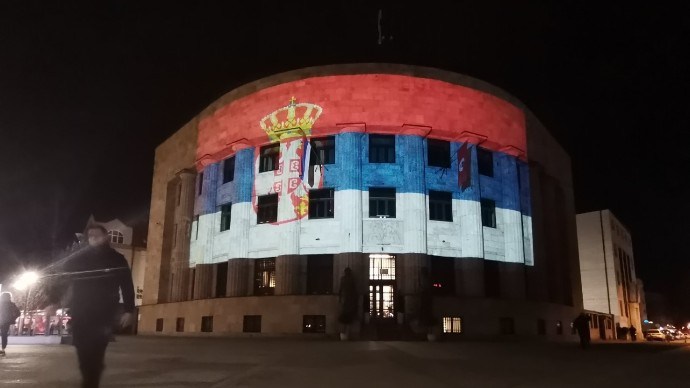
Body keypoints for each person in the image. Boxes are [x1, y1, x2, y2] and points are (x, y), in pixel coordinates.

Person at [47, 224, 135, 388]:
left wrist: (129, 310)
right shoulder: (78, 259)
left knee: (97, 348)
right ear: (87, 239)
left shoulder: (117, 259)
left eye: (98, 235)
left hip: (104, 312)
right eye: (91, 236)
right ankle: (90, 374)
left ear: (105, 237)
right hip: (81, 310)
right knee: (82, 347)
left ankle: (90, 381)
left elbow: (127, 285)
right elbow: (61, 279)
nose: (94, 238)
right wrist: (53, 301)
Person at [338, 267, 358, 337]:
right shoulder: (348, 279)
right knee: (346, 313)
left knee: (347, 313)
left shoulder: (347, 279)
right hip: (347, 299)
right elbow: (341, 289)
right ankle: (345, 332)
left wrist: (340, 298)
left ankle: (344, 333)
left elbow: (341, 289)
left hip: (348, 299)